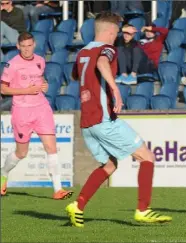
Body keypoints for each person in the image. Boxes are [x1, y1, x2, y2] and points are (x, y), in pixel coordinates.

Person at [66, 12, 172, 227]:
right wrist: (115, 89)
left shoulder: (82, 52)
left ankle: (78, 205)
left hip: (87, 121)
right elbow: (103, 62)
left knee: (109, 165)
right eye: (115, 33)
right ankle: (143, 209)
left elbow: (75, 76)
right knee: (147, 157)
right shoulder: (106, 49)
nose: (116, 37)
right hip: (104, 119)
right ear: (109, 31)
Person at [0, 32, 73, 200]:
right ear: (18, 46)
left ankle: (57, 189)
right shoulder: (12, 65)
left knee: (51, 148)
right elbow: (3, 89)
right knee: (21, 153)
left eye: (29, 45)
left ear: (34, 45)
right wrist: (27, 91)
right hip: (22, 111)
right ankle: (3, 173)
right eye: (23, 46)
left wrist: (44, 85)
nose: (26, 49)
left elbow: (39, 81)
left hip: (41, 108)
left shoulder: (40, 60)